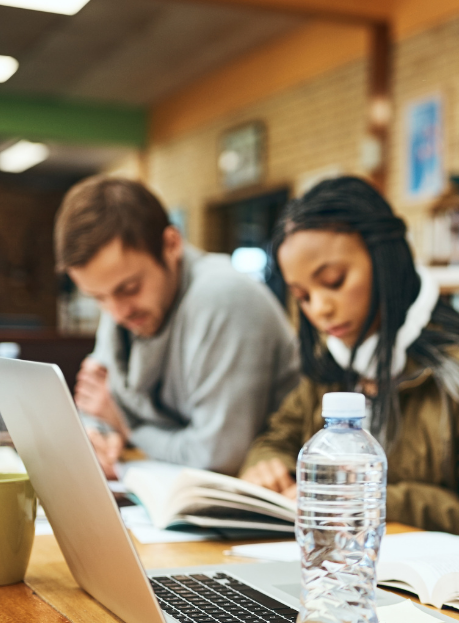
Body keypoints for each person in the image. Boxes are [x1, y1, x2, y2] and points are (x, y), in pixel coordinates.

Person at [240, 177, 459, 545]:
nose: (320, 309)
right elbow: (277, 438)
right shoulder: (332, 367)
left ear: (384, 260)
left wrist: (371, 497)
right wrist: (265, 467)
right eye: (303, 296)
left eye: (334, 280)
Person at [57, 176, 300, 477]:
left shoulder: (222, 297)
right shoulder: (124, 307)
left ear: (171, 244)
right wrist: (100, 437)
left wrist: (127, 427)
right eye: (98, 298)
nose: (116, 313)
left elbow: (217, 455)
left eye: (130, 288)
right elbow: (96, 405)